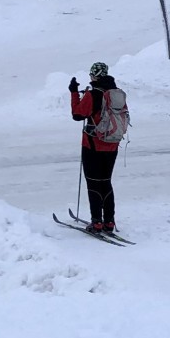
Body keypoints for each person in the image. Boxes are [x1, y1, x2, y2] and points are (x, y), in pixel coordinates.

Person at [69, 62, 130, 233]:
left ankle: (96, 222)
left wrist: (74, 93)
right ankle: (109, 222)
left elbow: (77, 115)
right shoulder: (116, 93)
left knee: (94, 183)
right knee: (106, 182)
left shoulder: (94, 94)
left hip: (93, 144)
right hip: (112, 144)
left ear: (94, 76)